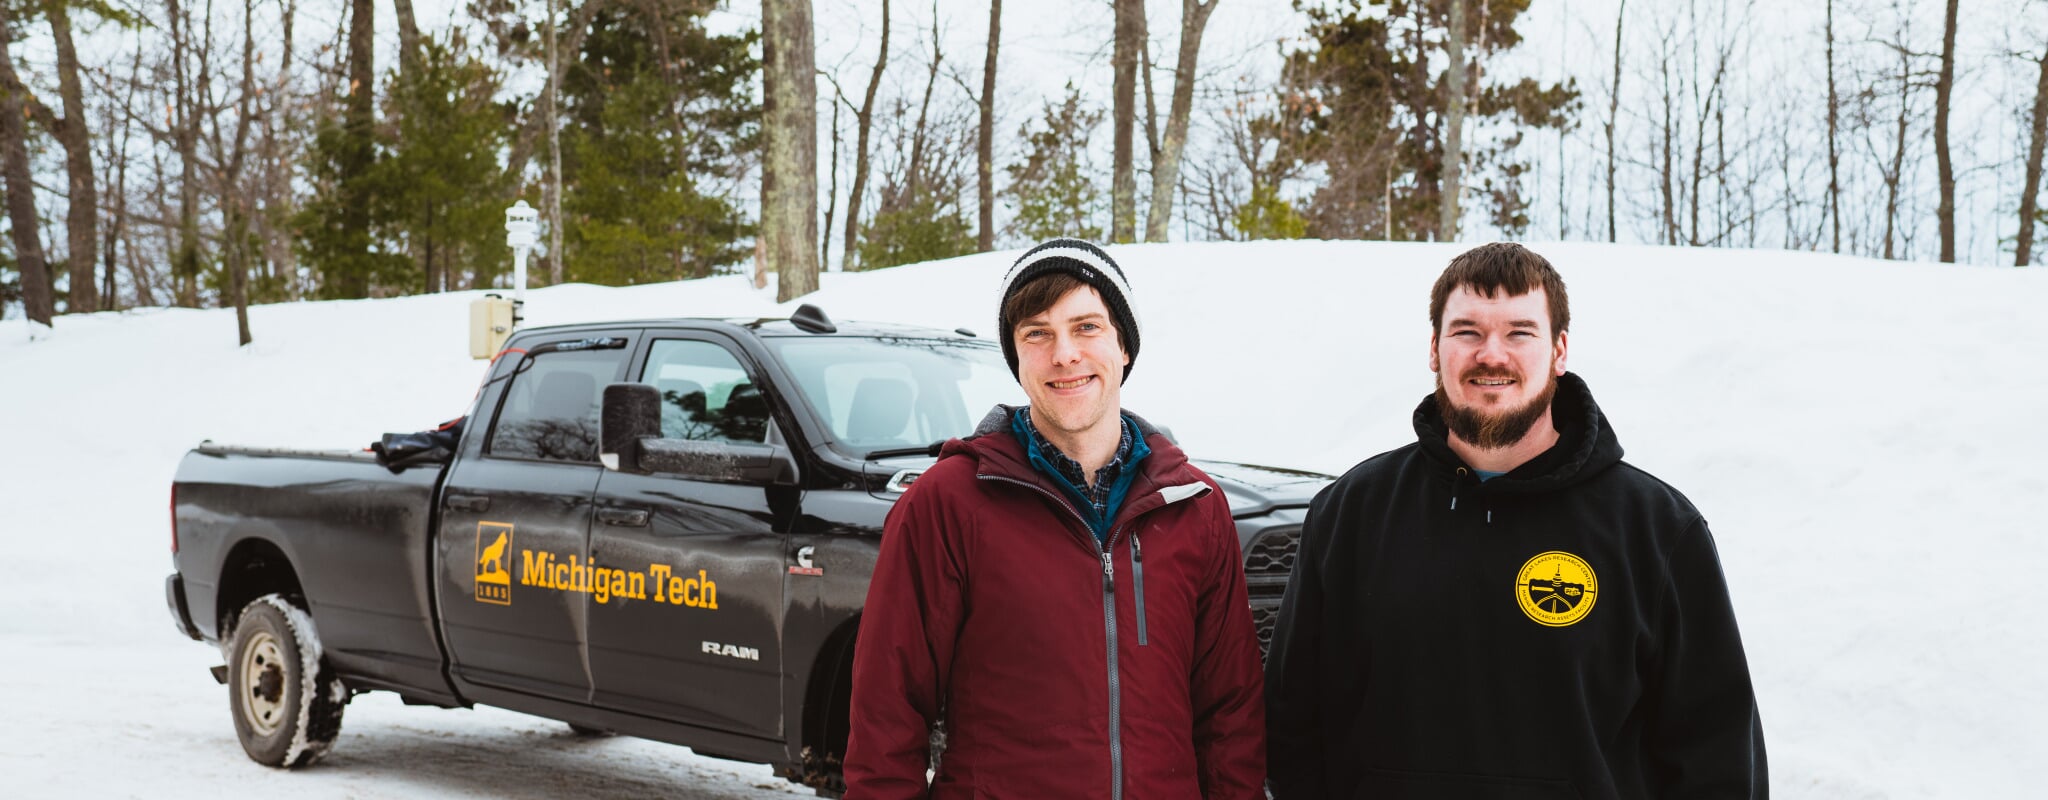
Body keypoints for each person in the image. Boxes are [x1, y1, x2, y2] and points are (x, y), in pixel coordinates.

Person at [1265, 242, 1767, 799]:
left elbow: (1716, 755)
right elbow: (1293, 725)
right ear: (1434, 349)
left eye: (1519, 332)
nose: (1491, 354)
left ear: (1559, 350)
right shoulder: (1351, 513)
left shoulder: (1656, 529)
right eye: (1467, 332)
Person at [845, 238, 1266, 799]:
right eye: (1037, 333)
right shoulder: (947, 503)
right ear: (1016, 357)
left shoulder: (1195, 507)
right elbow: (886, 716)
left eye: (1086, 327)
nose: (1064, 354)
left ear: (1124, 348)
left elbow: (1230, 718)